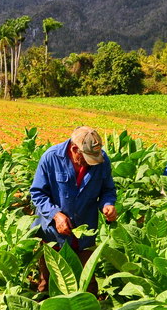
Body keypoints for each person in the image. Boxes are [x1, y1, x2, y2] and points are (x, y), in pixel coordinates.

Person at [29, 126, 117, 294]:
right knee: (49, 283)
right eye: (87, 158)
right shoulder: (51, 158)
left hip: (85, 232)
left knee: (88, 283)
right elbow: (37, 193)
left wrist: (108, 204)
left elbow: (107, 190)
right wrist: (56, 215)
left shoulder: (101, 160)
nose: (91, 162)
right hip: (54, 234)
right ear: (75, 149)